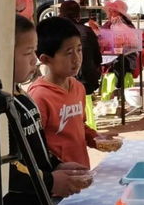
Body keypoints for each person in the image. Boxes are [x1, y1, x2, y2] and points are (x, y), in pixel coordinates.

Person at [4, 15, 92, 205]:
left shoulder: (22, 97)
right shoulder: (2, 105)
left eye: (34, 52)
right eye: (27, 53)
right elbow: (7, 167)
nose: (34, 60)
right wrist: (51, 181)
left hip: (41, 200)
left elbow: (37, 146)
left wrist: (57, 165)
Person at [28, 17, 119, 169]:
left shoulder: (78, 88)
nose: (77, 59)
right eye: (68, 53)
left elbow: (79, 126)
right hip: (59, 181)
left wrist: (96, 138)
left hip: (81, 171)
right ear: (45, 59)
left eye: (79, 49)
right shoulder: (39, 96)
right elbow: (35, 145)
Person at [59, 0, 102, 95]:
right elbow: (98, 59)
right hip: (86, 79)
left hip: (61, 80)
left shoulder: (52, 31)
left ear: (60, 13)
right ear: (78, 14)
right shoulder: (86, 31)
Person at [101, 0, 139, 83]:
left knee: (118, 63)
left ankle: (119, 84)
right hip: (108, 55)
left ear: (120, 13)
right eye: (109, 11)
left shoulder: (127, 25)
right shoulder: (108, 24)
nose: (110, 13)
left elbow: (132, 44)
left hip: (126, 58)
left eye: (113, 11)